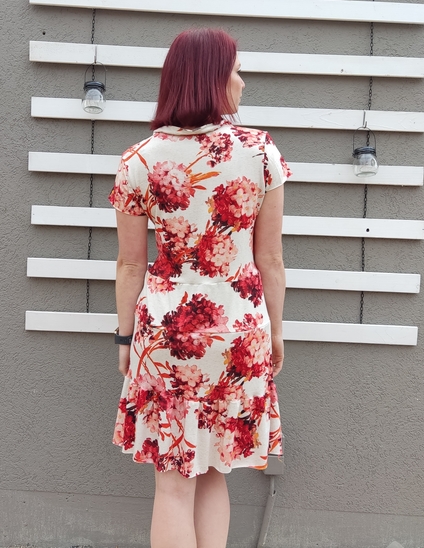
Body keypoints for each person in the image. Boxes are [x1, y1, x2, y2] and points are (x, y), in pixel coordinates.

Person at [108, 28, 290, 548]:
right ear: (212, 78)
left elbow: (129, 264)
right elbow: (271, 258)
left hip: (166, 334)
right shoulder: (258, 151)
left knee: (172, 483)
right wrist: (277, 332)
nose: (242, 82)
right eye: (236, 71)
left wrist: (125, 338)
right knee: (213, 468)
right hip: (240, 331)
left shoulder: (139, 160)